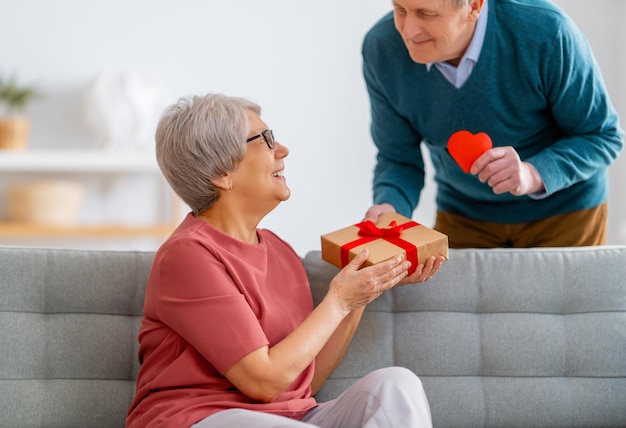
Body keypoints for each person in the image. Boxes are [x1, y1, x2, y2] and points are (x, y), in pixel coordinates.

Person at [126, 94, 441, 427]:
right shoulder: (188, 255)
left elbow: (302, 381)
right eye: (265, 140)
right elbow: (263, 382)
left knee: (396, 385)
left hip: (293, 417)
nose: (283, 150)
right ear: (222, 173)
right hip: (199, 417)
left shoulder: (280, 250)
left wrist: (362, 291)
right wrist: (337, 300)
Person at [361, 0, 624, 248]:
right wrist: (390, 206)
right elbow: (398, 158)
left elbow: (601, 136)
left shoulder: (548, 32)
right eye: (400, 9)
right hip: (463, 214)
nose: (408, 31)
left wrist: (531, 174)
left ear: (475, 5)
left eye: (426, 13)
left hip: (566, 212)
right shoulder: (380, 49)